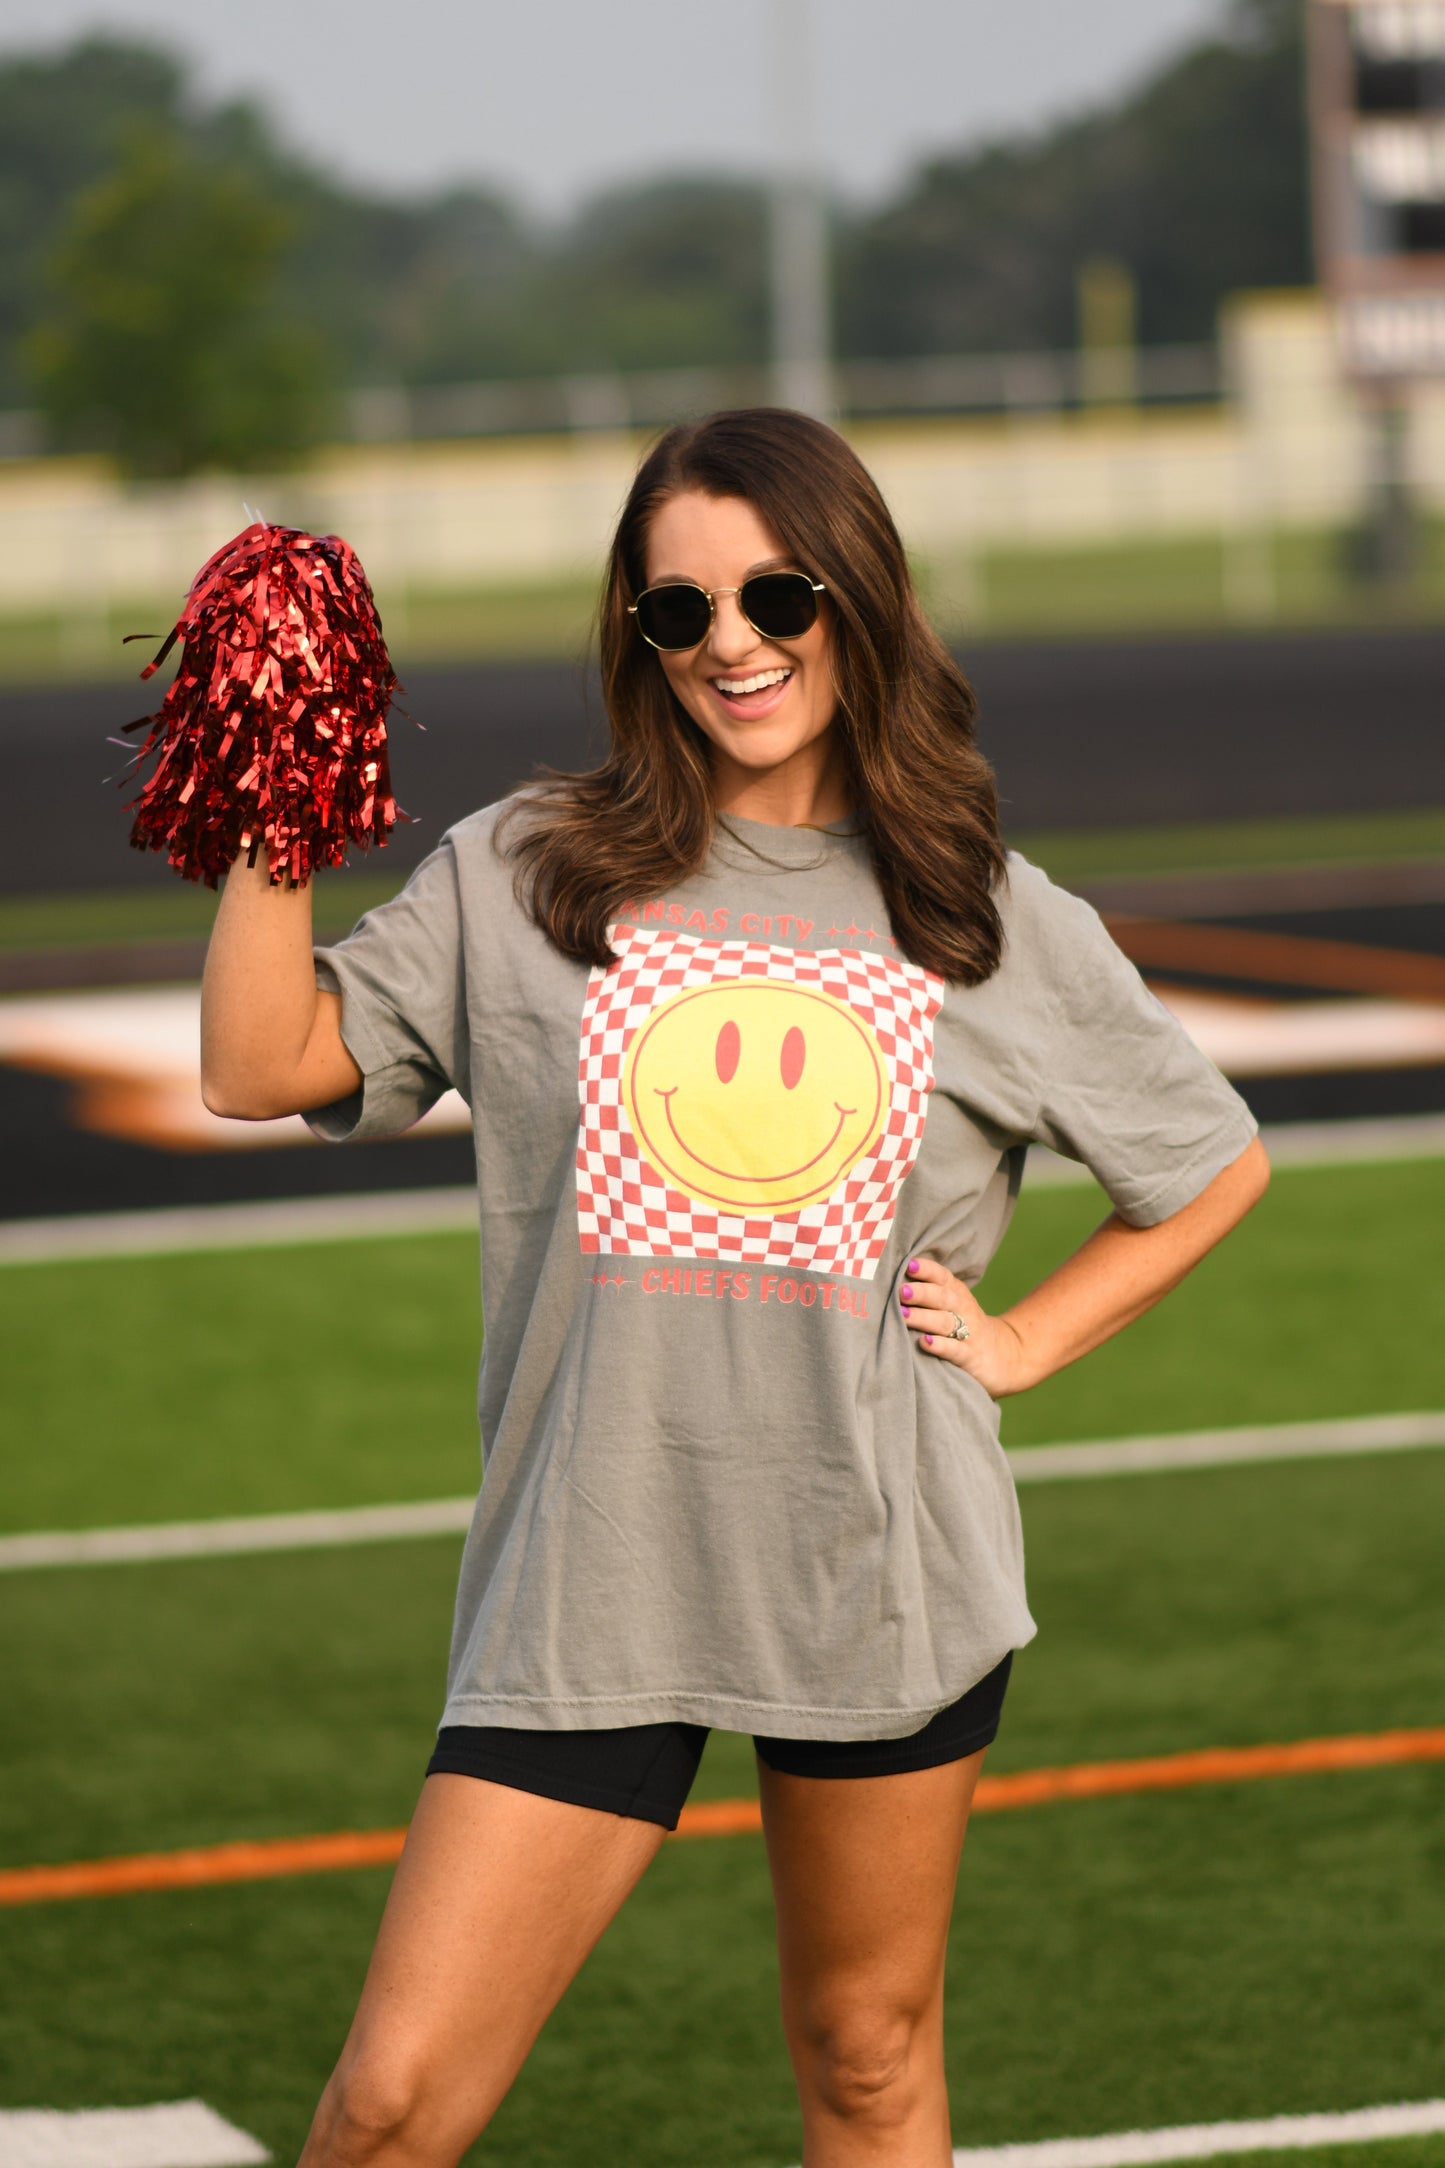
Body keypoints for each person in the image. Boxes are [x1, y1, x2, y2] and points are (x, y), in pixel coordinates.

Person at [201, 407, 1268, 2168]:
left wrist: (1018, 1343)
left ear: (860, 598)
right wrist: (267, 808)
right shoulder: (525, 868)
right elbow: (261, 1065)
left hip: (873, 1563)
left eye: (776, 594)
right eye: (675, 611)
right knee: (390, 2106)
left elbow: (1207, 1164)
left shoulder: (982, 917)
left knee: (863, 2060)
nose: (733, 645)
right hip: (591, 1566)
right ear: (635, 637)